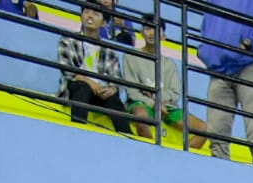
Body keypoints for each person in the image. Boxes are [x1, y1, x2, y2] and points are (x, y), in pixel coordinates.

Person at [198, 0, 253, 169]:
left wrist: (251, 42)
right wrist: (206, 51)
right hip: (218, 70)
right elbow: (207, 22)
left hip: (250, 63)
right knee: (216, 137)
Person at [122, 18, 208, 149]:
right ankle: (150, 153)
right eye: (148, 28)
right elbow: (132, 91)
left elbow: (175, 93)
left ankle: (179, 159)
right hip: (141, 103)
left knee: (203, 129)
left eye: (156, 29)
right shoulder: (131, 56)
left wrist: (159, 99)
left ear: (164, 36)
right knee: (141, 117)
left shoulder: (169, 64)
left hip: (167, 107)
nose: (152, 33)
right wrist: (153, 103)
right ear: (141, 32)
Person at [58, 3, 133, 135]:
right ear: (81, 16)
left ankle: (128, 138)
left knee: (114, 100)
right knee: (82, 87)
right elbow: (67, 69)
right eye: (86, 12)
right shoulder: (68, 40)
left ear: (104, 23)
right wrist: (90, 82)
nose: (90, 16)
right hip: (77, 87)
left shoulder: (109, 49)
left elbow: (116, 77)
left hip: (101, 93)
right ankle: (77, 133)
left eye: (95, 14)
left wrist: (112, 89)